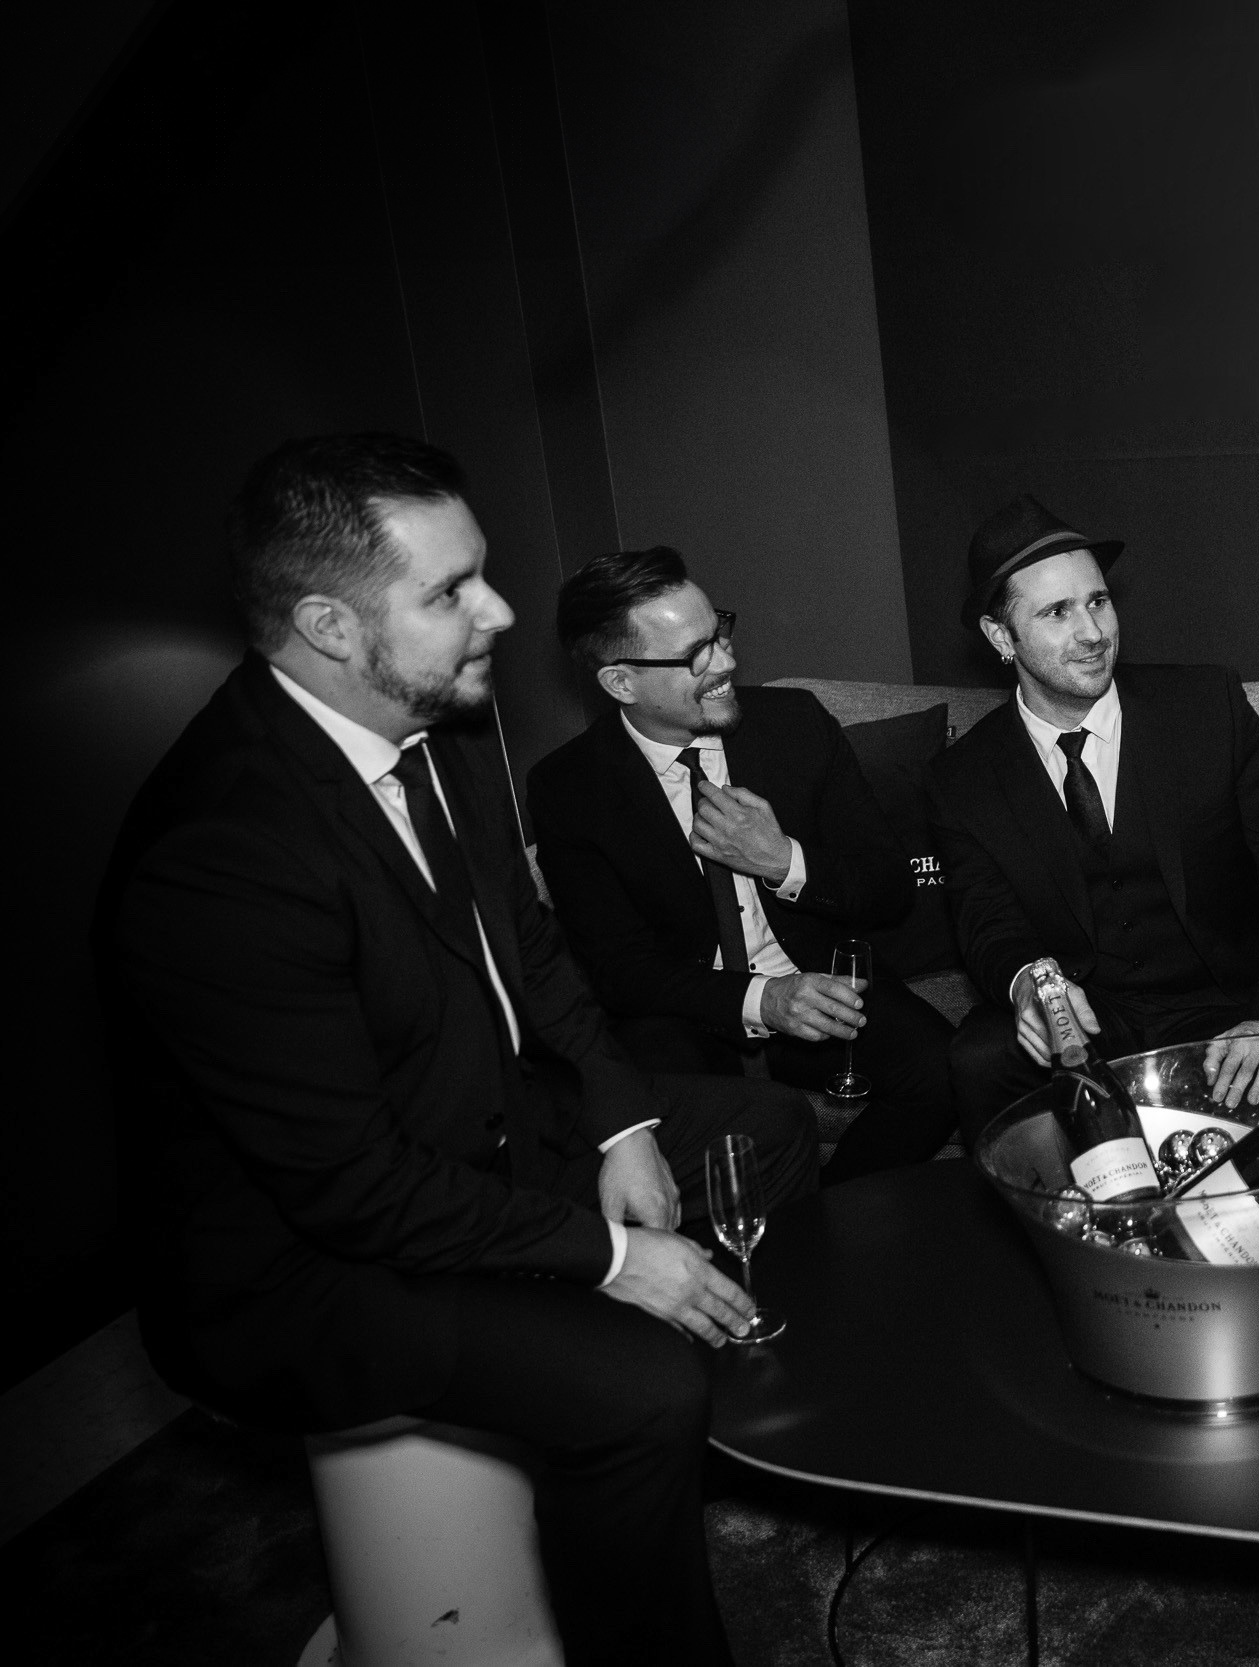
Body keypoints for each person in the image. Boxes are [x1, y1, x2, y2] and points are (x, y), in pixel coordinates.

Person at [99, 436, 818, 1667]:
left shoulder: (444, 724)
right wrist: (611, 1258)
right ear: (329, 625)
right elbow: (354, 1188)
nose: (498, 612)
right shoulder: (221, 851)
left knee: (771, 1130)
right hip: (306, 1263)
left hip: (477, 1127)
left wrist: (623, 1121)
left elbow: (533, 952)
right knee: (638, 1387)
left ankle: (660, 1470)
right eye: (450, 590)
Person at [528, 546, 958, 1184]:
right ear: (621, 683)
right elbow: (619, 970)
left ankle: (832, 1212)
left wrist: (784, 861)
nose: (726, 662)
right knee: (678, 1103)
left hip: (820, 984)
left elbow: (889, 887)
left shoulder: (794, 724)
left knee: (942, 1070)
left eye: (719, 634)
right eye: (696, 655)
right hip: (687, 1016)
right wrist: (763, 999)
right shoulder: (568, 787)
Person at [930, 494, 1259, 1145]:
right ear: (1000, 636)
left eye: (1097, 601)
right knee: (981, 1057)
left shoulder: (1205, 707)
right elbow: (985, 919)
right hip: (1088, 1019)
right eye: (1057, 612)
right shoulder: (964, 778)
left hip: (1226, 1009)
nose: (1093, 632)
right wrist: (1028, 982)